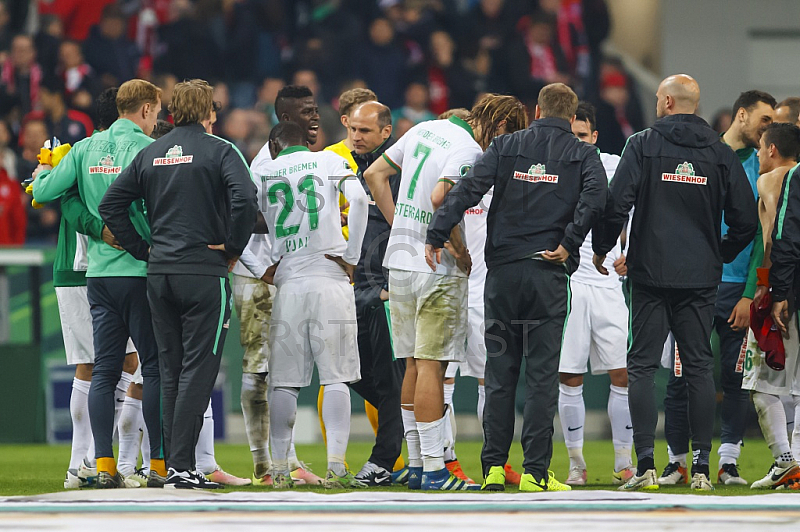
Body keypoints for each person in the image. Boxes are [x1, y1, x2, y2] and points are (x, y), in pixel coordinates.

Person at [426, 84, 604, 492]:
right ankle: (536, 473)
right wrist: (571, 242)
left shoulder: (507, 145)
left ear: (537, 109)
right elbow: (597, 200)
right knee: (542, 378)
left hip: (503, 277)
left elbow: (467, 189)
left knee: (501, 373)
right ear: (571, 114)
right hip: (548, 276)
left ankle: (492, 468)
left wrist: (436, 233)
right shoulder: (583, 154)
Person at [592, 74, 758, 491]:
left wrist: (602, 247)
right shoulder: (720, 153)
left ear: (666, 101)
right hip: (701, 277)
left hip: (650, 273)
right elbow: (746, 221)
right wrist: (718, 252)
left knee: (643, 366)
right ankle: (702, 467)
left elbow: (618, 204)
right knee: (700, 366)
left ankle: (646, 464)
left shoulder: (643, 144)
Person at [99, 79, 257, 490]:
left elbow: (110, 205)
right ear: (208, 113)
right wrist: (234, 246)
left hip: (160, 274)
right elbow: (245, 199)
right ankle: (183, 466)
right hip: (203, 272)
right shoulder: (220, 150)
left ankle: (168, 465)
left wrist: (142, 249)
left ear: (171, 112)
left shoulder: (150, 152)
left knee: (168, 370)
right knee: (199, 370)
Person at [367, 93, 528, 491]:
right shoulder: (467, 149)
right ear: (500, 125)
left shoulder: (423, 128)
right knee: (433, 366)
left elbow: (374, 175)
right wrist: (457, 245)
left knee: (412, 365)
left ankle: (420, 464)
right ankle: (437, 468)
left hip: (401, 259)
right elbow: (443, 198)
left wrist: (402, 225)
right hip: (436, 267)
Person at [32, 79, 166, 489]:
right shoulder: (148, 149)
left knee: (103, 371)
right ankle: (158, 466)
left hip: (100, 277)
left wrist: (41, 173)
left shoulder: (84, 148)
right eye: (156, 112)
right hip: (141, 271)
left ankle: (103, 465)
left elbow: (44, 189)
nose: (156, 120)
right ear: (144, 110)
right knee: (155, 369)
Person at [657, 90, 775, 487]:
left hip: (735, 290)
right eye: (763, 120)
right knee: (681, 376)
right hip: (691, 283)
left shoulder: (764, 169)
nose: (767, 129)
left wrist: (749, 293)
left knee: (736, 378)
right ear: (740, 115)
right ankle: (676, 461)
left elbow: (762, 237)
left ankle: (728, 462)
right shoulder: (701, 155)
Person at [256, 121, 368, 489]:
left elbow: (237, 220)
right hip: (330, 275)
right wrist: (352, 255)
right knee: (336, 376)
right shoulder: (328, 161)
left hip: (289, 281)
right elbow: (361, 201)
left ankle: (278, 469)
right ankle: (336, 465)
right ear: (309, 141)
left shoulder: (264, 170)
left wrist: (260, 267)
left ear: (275, 145)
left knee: (285, 383)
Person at [232, 84, 325, 487]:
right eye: (306, 112)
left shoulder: (303, 161)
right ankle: (263, 465)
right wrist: (264, 269)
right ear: (286, 120)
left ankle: (286, 461)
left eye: (315, 109)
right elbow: (243, 225)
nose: (315, 117)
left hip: (285, 275)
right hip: (258, 275)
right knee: (260, 368)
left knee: (287, 370)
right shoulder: (260, 168)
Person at [558, 101, 634, 487]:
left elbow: (634, 208)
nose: (578, 143)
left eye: (584, 136)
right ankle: (576, 463)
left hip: (607, 282)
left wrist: (630, 251)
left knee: (623, 374)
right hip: (569, 282)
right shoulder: (554, 166)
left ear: (596, 137)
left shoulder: (614, 165)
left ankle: (624, 462)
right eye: (572, 136)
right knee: (569, 377)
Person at [340, 101, 406, 487]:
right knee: (351, 372)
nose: (356, 136)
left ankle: (383, 460)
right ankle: (408, 447)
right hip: (356, 289)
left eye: (366, 131)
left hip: (382, 290)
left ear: (386, 132)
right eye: (353, 129)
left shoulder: (394, 174)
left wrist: (391, 285)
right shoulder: (348, 166)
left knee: (391, 382)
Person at [742, 122, 800, 489]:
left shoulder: (773, 179)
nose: (758, 155)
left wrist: (767, 287)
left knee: (760, 382)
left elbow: (775, 237)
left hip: (784, 289)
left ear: (774, 149)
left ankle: (784, 460)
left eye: (761, 148)